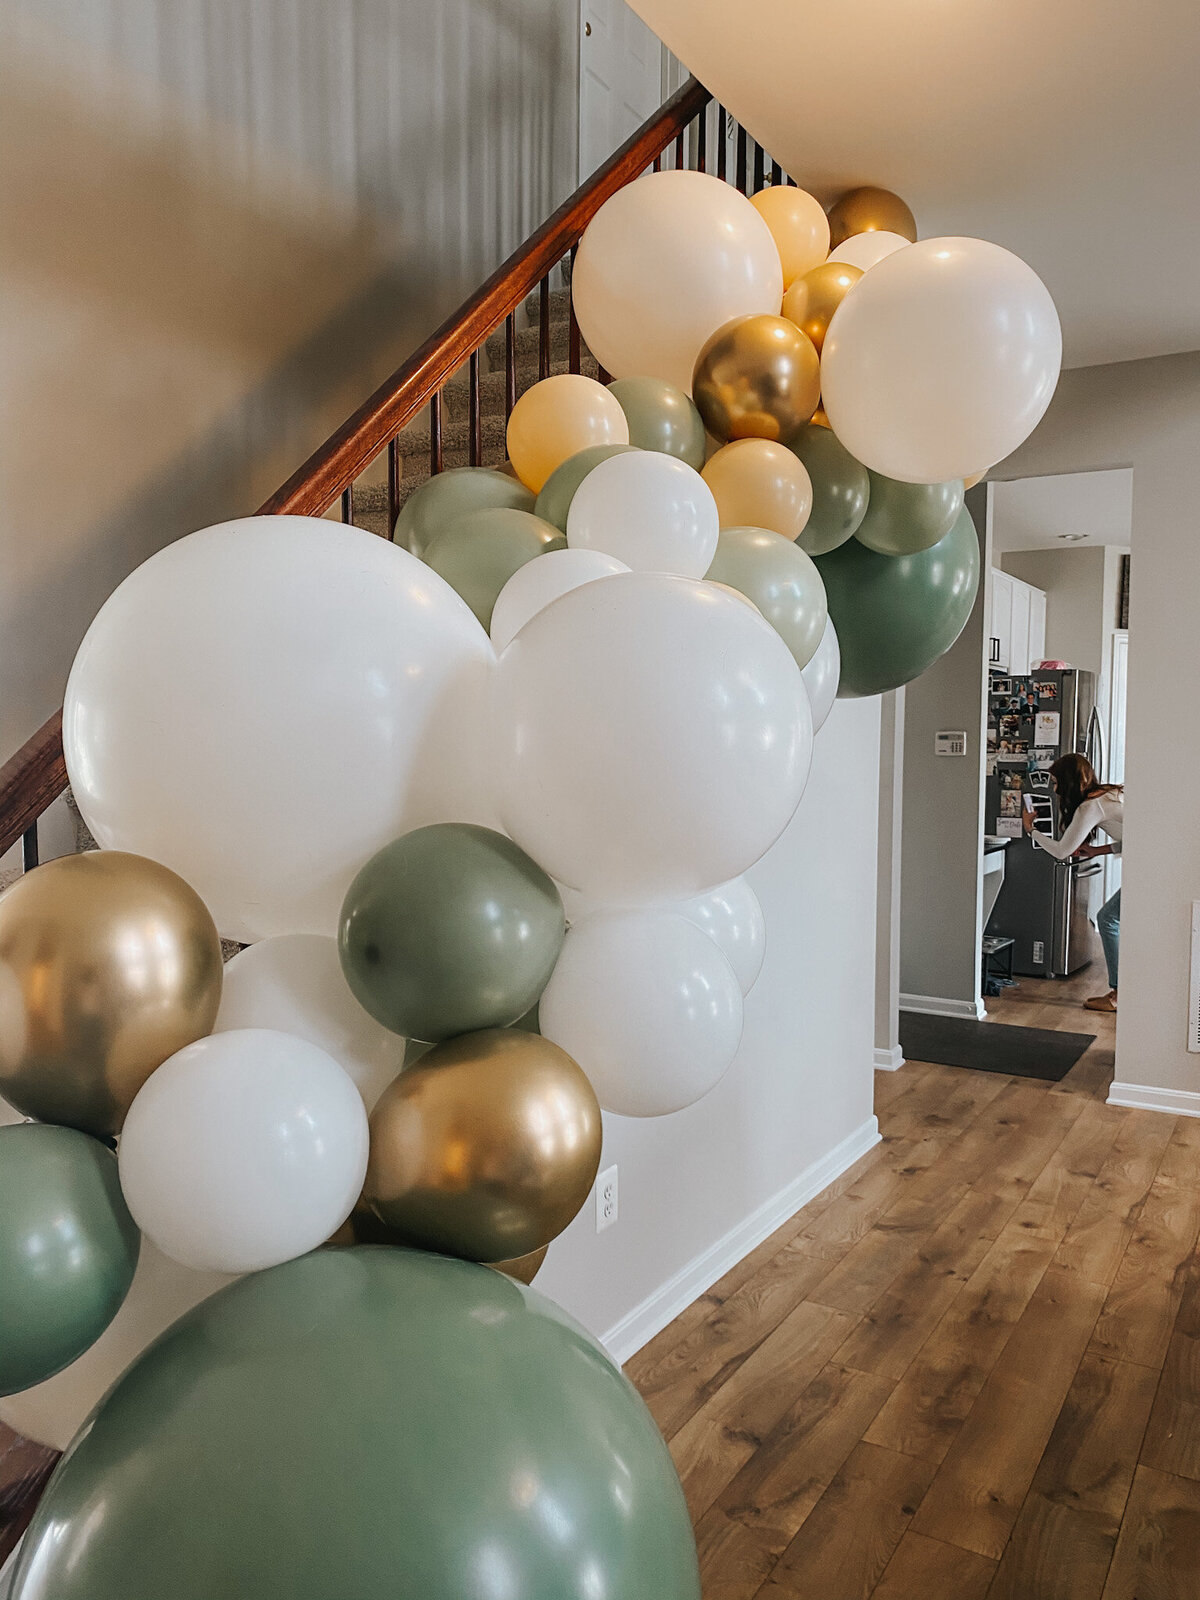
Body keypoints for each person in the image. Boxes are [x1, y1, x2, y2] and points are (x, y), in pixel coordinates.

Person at [1022, 752, 1123, 1012]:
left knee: (1108, 920)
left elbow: (1061, 851)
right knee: (1114, 920)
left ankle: (1119, 996)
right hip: (1155, 863)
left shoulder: (1091, 806)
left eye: (1056, 783)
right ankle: (1122, 992)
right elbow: (1135, 836)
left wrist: (1031, 830)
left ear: (1067, 783)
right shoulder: (1107, 795)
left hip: (1150, 868)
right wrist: (1098, 851)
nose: (1054, 790)